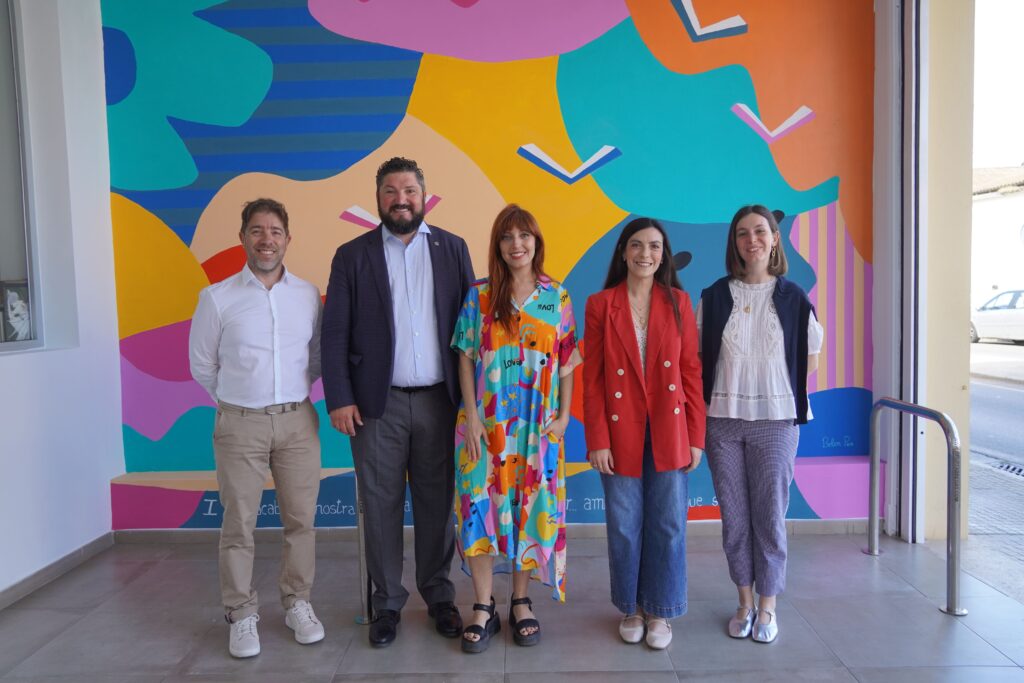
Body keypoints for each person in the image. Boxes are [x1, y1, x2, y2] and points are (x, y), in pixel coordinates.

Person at [321, 156, 475, 647]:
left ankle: (439, 596)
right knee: (380, 503)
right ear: (378, 198)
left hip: (439, 402)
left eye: (409, 190)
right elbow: (334, 332)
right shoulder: (352, 255)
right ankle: (386, 602)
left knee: (436, 504)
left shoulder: (452, 248)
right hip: (374, 406)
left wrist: (472, 403)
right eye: (390, 191)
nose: (400, 199)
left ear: (423, 196)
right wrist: (339, 397)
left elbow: (470, 330)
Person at [188, 198, 325, 658]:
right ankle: (241, 612)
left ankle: (297, 602)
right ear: (243, 237)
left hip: (297, 421)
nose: (267, 240)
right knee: (238, 524)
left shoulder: (307, 295)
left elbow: (316, 357)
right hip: (240, 423)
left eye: (275, 231)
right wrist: (237, 401)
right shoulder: (217, 298)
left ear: (287, 239)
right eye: (257, 230)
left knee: (301, 520)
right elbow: (202, 365)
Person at [451, 204, 581, 653]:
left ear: (536, 241)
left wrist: (564, 417)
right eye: (507, 237)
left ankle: (521, 602)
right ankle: (482, 606)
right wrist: (471, 416)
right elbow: (465, 356)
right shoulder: (480, 296)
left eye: (524, 235)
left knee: (530, 509)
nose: (516, 244)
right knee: (478, 509)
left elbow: (567, 362)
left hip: (538, 429)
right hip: (484, 428)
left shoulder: (556, 297)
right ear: (497, 246)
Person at [697, 204, 823, 644]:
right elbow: (700, 358)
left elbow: (809, 360)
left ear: (774, 240)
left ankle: (768, 606)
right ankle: (745, 602)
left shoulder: (794, 298)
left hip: (776, 421)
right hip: (723, 421)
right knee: (734, 518)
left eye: (760, 231)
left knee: (769, 516)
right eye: (742, 233)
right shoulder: (714, 296)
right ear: (734, 242)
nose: (751, 240)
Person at [583, 217, 705, 650]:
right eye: (636, 245)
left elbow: (690, 371)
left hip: (670, 427)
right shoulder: (601, 304)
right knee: (624, 525)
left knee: (668, 523)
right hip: (620, 431)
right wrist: (597, 439)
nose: (645, 254)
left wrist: (696, 436)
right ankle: (631, 607)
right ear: (623, 252)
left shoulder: (679, 302)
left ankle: (661, 609)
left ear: (663, 254)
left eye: (654, 246)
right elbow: (593, 379)